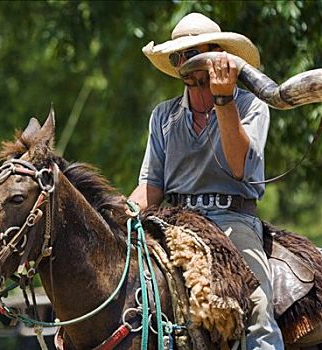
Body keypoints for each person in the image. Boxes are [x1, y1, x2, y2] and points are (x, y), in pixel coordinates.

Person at [129, 12, 284, 349]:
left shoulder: (251, 105)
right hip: (172, 221)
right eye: (180, 55)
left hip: (233, 219)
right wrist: (119, 214)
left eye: (196, 52)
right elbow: (151, 187)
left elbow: (239, 167)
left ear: (217, 55)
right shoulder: (163, 116)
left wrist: (223, 99)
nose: (187, 61)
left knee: (254, 305)